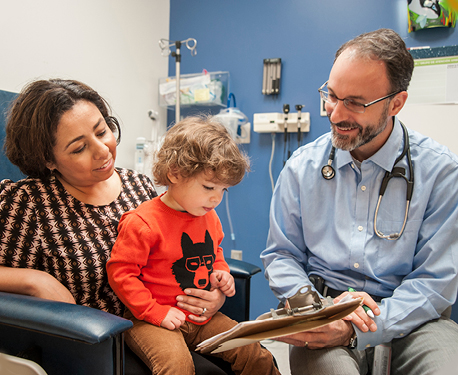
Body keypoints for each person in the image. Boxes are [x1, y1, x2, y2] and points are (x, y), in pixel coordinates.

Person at [261, 28, 458, 375]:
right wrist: (317, 310)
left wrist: (358, 325)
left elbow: (434, 281)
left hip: (413, 318)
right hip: (323, 307)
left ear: (396, 103)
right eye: (331, 95)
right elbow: (281, 255)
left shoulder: (441, 173)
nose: (335, 114)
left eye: (355, 102)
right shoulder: (301, 167)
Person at [0, 79, 231, 374]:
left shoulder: (139, 185)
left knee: (241, 360)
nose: (102, 150)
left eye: (102, 131)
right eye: (79, 147)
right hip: (89, 342)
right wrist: (35, 281)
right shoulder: (29, 203)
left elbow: (192, 248)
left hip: (162, 321)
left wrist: (214, 292)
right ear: (48, 159)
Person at [107, 116, 280, 375]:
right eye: (209, 186)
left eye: (224, 190)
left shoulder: (208, 216)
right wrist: (155, 312)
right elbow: (121, 275)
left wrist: (221, 273)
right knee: (177, 367)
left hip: (200, 317)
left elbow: (216, 251)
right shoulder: (143, 222)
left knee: (253, 351)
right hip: (152, 320)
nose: (216, 198)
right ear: (175, 173)